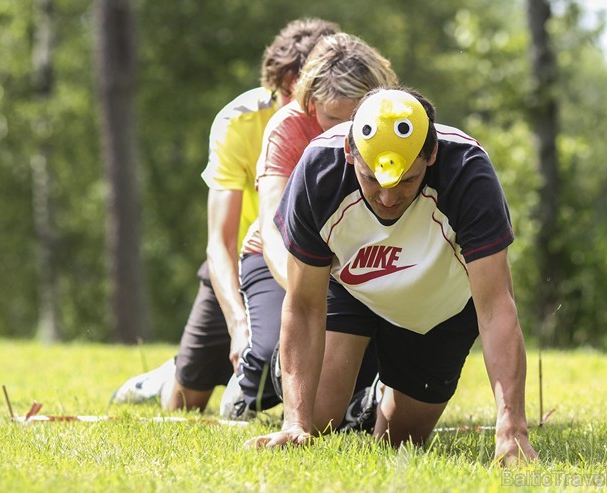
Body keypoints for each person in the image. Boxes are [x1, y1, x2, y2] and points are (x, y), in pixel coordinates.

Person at [244, 87, 538, 465]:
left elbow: (497, 306)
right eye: (371, 179)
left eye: (406, 181)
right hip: (353, 287)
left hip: (439, 308)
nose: (387, 198)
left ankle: (372, 399)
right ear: (351, 154)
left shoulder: (467, 170)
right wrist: (294, 422)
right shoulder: (320, 167)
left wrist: (511, 428)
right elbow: (302, 306)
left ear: (430, 155)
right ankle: (330, 394)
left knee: (400, 441)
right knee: (315, 417)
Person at [111, 18, 340, 415]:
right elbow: (220, 242)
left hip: (312, 261)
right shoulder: (239, 120)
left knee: (282, 365)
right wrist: (237, 324)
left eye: (305, 95)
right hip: (243, 267)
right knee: (185, 402)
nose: (295, 107)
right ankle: (166, 377)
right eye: (286, 94)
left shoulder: (342, 122)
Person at [233, 32, 399, 422]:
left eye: (356, 119)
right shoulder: (286, 129)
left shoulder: (397, 122)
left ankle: (362, 392)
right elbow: (274, 228)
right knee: (279, 348)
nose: (342, 132)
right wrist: (311, 298)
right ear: (309, 102)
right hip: (285, 259)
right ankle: (249, 382)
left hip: (356, 263)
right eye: (331, 119)